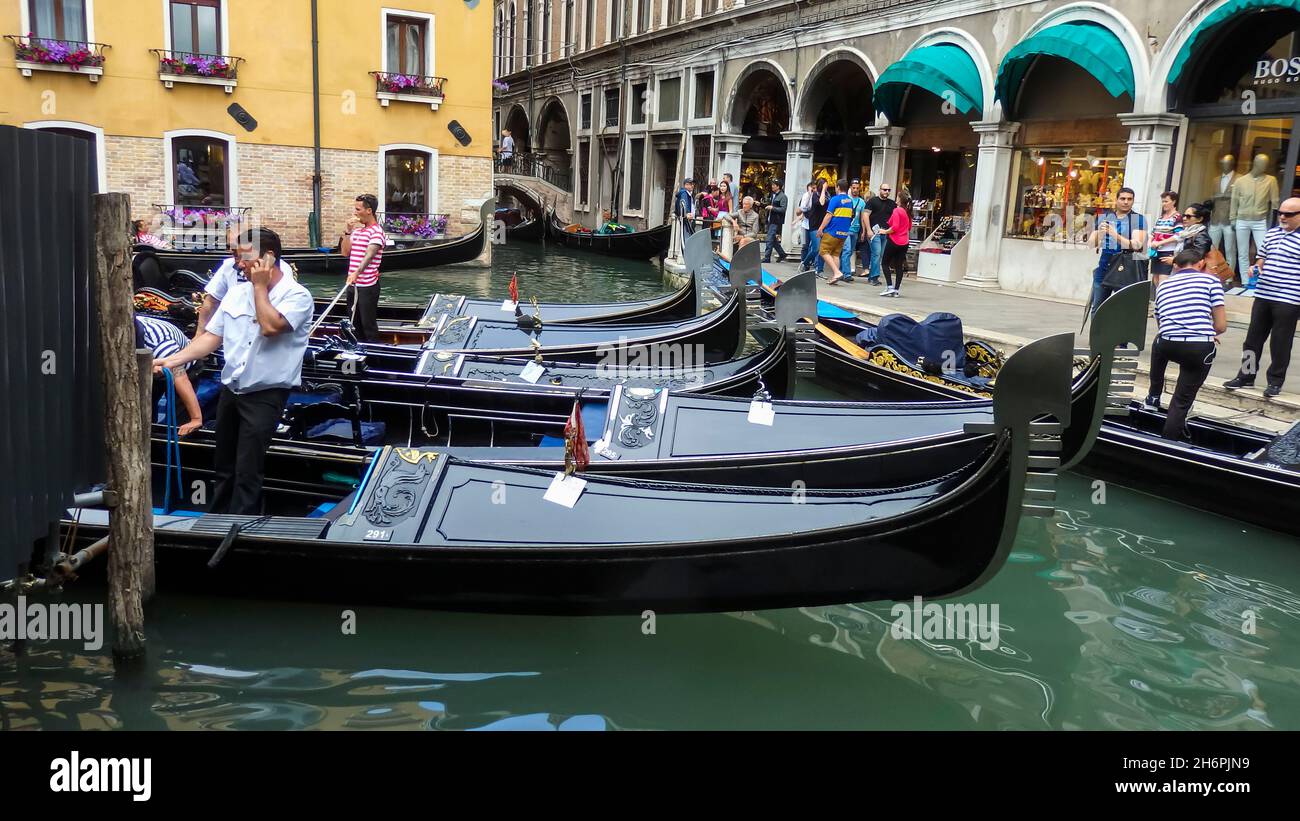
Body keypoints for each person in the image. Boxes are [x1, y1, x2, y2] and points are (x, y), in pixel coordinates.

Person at [153, 228, 314, 515]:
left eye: (243, 258)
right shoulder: (236, 294)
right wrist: (172, 361)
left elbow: (270, 326)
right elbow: (210, 338)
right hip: (232, 390)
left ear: (268, 258)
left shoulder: (297, 297)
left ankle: (239, 527)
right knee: (224, 464)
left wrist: (259, 287)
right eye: (235, 258)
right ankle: (216, 518)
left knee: (248, 469)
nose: (238, 265)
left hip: (266, 394)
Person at [1146, 248, 1227, 440]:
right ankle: (1169, 441)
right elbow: (1221, 326)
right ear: (1200, 264)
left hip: (1168, 344)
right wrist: (1205, 332)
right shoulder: (1212, 281)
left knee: (1159, 342)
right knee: (1181, 401)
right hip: (1198, 349)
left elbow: (1162, 324)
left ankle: (1153, 394)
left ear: (1175, 266)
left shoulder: (1163, 285)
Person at [1223, 196, 1300, 397]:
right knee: (1252, 340)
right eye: (1280, 213)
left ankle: (1275, 381)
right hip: (1263, 293)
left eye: (1288, 214)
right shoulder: (1272, 234)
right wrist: (1254, 268)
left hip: (1289, 298)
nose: (1282, 217)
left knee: (1280, 342)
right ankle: (1246, 376)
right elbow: (1261, 259)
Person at [135, 314, 203, 436]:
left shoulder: (160, 344)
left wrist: (196, 419)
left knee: (181, 422)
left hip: (185, 367)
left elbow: (181, 379)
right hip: (151, 368)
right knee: (144, 412)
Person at [1089, 187, 1147, 312]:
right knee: (1098, 309)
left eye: (1129, 199)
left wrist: (1114, 234)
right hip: (1104, 268)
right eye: (1123, 198)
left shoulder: (1138, 219)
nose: (1126, 202)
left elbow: (1137, 245)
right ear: (1116, 200)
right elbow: (1091, 243)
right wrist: (1100, 232)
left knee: (1122, 310)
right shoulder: (1104, 217)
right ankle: (1098, 332)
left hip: (1125, 270)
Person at [341, 193, 386, 342]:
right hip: (352, 285)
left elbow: (369, 255)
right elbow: (345, 252)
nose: (355, 212)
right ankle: (358, 353)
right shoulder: (357, 231)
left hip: (367, 286)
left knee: (368, 325)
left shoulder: (377, 232)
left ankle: (374, 358)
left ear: (369, 211)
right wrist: (348, 231)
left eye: (358, 209)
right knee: (354, 324)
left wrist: (356, 273)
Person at [1155, 201, 1213, 284]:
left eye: (1188, 216)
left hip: (1192, 277)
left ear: (1200, 219)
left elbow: (1197, 257)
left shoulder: (1201, 235)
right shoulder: (1186, 233)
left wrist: (1175, 260)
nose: (1184, 218)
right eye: (1184, 215)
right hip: (1183, 272)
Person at [817, 179, 855, 285]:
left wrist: (821, 228)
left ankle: (837, 272)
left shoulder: (835, 199)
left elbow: (829, 215)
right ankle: (835, 275)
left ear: (837, 187)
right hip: (844, 232)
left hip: (832, 230)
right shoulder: (850, 200)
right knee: (835, 254)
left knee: (823, 251)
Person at [878, 193, 913, 297]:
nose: (895, 199)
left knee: (885, 263)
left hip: (894, 240)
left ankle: (889, 286)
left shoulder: (897, 210)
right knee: (899, 266)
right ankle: (896, 290)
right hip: (905, 242)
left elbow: (895, 227)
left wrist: (884, 232)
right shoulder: (907, 212)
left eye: (897, 197)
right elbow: (909, 227)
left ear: (899, 200)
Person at [864, 183, 896, 285]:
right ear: (880, 190)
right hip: (875, 232)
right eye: (884, 189)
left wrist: (891, 231)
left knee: (880, 255)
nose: (886, 192)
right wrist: (868, 230)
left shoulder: (892, 204)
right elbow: (865, 215)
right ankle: (874, 277)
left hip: (886, 233)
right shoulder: (872, 201)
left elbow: (895, 218)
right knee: (876, 254)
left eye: (888, 190)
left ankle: (872, 276)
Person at [1148, 191, 1183, 279]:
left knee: (1163, 280)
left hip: (1168, 252)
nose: (1163, 204)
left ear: (1174, 201)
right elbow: (1153, 232)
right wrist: (1149, 242)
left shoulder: (1177, 217)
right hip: (1156, 252)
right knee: (1155, 280)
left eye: (1166, 201)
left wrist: (1160, 243)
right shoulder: (1160, 218)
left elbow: (1178, 235)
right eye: (1163, 201)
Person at [839, 179, 867, 283]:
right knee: (846, 251)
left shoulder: (862, 202)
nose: (855, 190)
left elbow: (863, 217)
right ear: (850, 188)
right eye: (853, 188)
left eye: (857, 188)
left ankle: (841, 271)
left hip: (855, 230)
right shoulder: (846, 200)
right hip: (845, 229)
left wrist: (863, 231)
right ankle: (847, 274)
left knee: (850, 252)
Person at [802, 179, 830, 274]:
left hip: (824, 225)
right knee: (816, 248)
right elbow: (821, 202)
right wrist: (823, 190)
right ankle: (805, 263)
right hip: (814, 225)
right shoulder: (814, 195)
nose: (826, 188)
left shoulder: (827, 196)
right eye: (824, 186)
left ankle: (820, 270)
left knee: (823, 250)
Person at [762, 179, 788, 263]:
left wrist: (772, 208)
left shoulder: (783, 196)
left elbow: (783, 209)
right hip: (770, 219)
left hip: (776, 221)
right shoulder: (772, 195)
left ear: (778, 186)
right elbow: (769, 205)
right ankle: (782, 254)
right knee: (773, 240)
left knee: (769, 239)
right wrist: (761, 204)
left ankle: (767, 258)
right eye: (772, 185)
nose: (772, 186)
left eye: (774, 185)